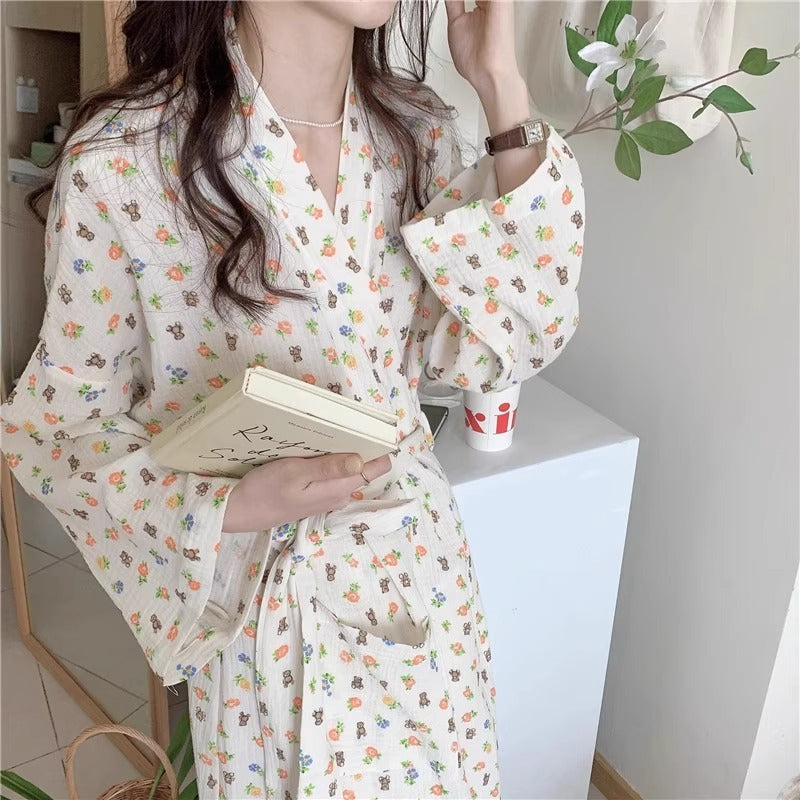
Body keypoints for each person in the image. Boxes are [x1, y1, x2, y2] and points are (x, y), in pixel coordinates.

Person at [0, 1, 585, 796]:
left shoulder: (418, 133)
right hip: (270, 629)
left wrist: (501, 86)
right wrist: (225, 508)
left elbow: (512, 340)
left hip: (422, 585)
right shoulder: (125, 158)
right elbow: (56, 431)